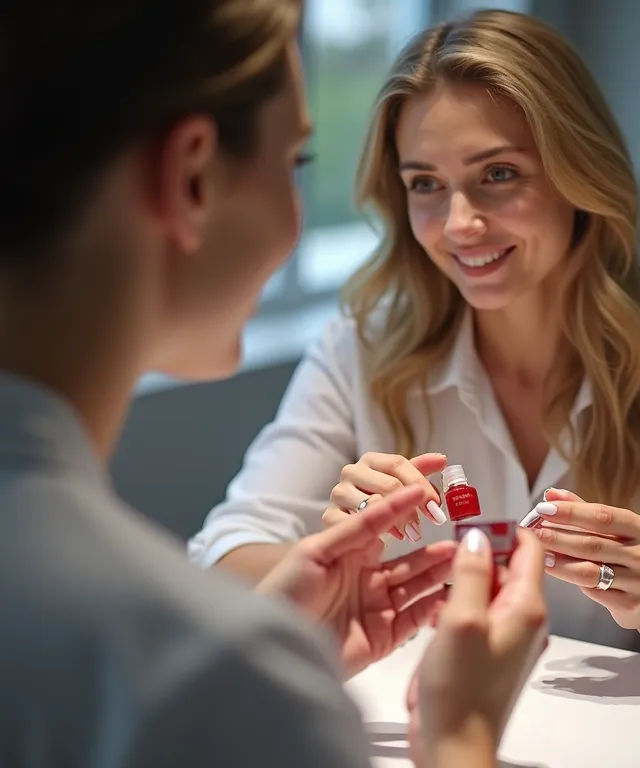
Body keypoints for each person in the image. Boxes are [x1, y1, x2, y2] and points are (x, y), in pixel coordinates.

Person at [0, 1, 548, 766]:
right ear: (192, 176)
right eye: (296, 162)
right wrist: (460, 737)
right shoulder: (205, 681)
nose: (459, 224)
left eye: (497, 174)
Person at [189, 8, 640, 678]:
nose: (459, 224)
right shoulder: (359, 351)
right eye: (425, 185)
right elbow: (221, 553)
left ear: (581, 173)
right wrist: (331, 560)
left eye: (498, 174)